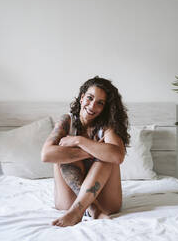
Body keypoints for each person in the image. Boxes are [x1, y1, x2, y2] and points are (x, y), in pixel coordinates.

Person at [41, 76, 130, 227]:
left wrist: (79, 141)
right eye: (90, 98)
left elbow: (118, 156)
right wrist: (90, 151)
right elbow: (46, 154)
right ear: (82, 98)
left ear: (105, 108)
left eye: (100, 103)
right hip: (68, 202)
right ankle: (91, 208)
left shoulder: (106, 127)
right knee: (64, 154)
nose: (92, 105)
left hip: (106, 203)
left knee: (108, 157)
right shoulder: (66, 121)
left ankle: (81, 210)